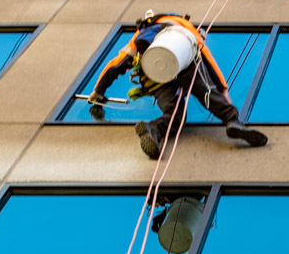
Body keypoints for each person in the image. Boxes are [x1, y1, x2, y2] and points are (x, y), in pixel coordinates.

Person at [88, 11, 267, 159]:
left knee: (175, 112)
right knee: (205, 91)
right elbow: (208, 61)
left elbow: (117, 64)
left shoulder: (144, 33)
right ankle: (232, 121)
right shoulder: (184, 28)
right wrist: (222, 89)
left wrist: (98, 90)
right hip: (183, 62)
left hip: (153, 72)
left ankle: (154, 130)